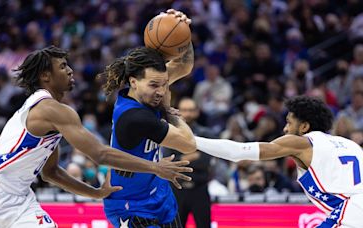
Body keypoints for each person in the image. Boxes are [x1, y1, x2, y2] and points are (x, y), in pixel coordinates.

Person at [0, 46, 193, 228]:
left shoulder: (50, 114)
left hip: (19, 199)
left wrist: (95, 193)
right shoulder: (50, 110)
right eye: (62, 66)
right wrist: (155, 168)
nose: (70, 70)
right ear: (46, 76)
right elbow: (100, 154)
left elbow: (50, 172)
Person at [195, 96, 363, 227]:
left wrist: (193, 141)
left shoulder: (301, 142)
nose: (285, 129)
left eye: (289, 123)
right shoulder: (349, 144)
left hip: (350, 210)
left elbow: (237, 152)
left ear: (304, 127)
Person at [98, 10, 196, 227]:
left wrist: (183, 33)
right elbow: (189, 143)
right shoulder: (135, 117)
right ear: (133, 82)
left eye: (164, 84)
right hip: (131, 205)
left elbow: (184, 65)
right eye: (155, 85)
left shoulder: (146, 90)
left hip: (158, 191)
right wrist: (168, 111)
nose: (161, 91)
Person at [163, 97, 214, 228]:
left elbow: (205, 161)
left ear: (197, 112)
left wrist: (181, 158)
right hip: (177, 190)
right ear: (178, 112)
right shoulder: (169, 132)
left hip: (200, 188)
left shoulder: (206, 133)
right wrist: (193, 156)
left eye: (191, 110)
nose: (188, 114)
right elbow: (170, 160)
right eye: (184, 110)